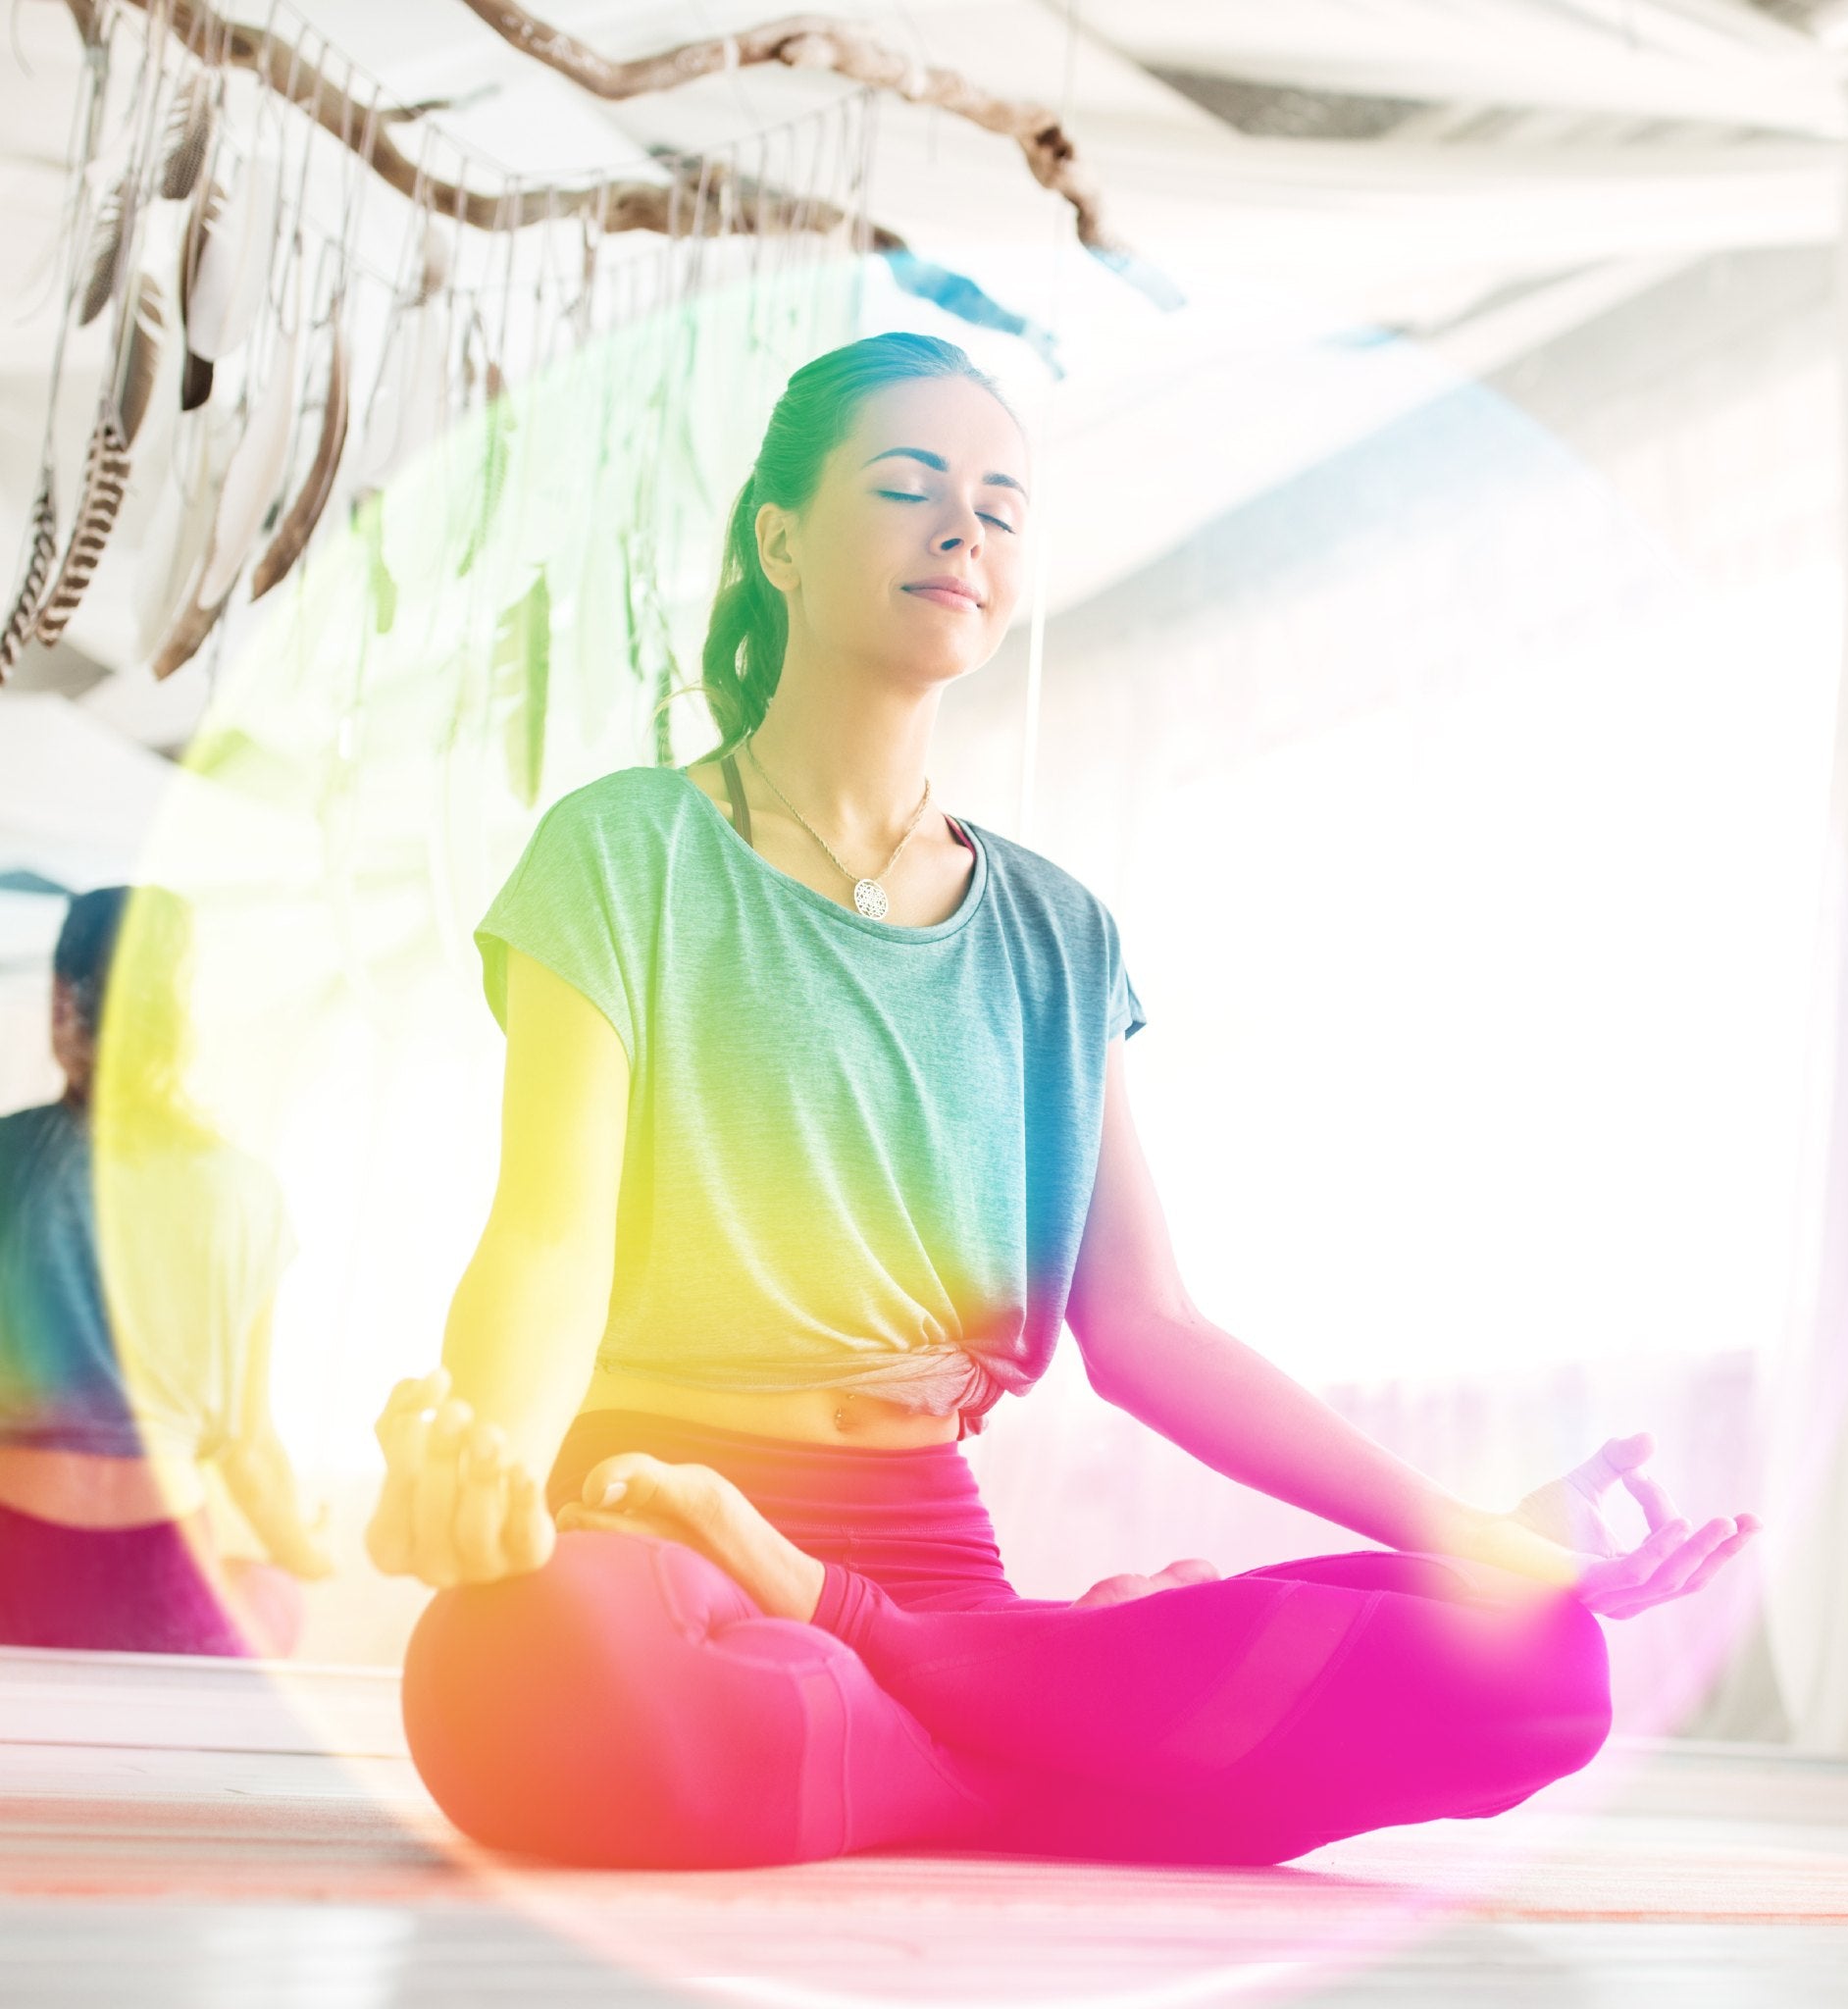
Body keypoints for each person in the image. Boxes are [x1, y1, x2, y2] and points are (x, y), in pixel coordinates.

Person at [368, 332, 1761, 1869]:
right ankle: (1042, 1744)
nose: (963, 526)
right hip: (661, 1538)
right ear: (780, 538)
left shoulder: (1057, 930)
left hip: (924, 1566)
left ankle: (879, 1673)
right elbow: (546, 1246)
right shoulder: (624, 849)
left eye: (1001, 504)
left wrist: (1472, 1534)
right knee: (531, 1675)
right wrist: (491, 1470)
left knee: (1541, 1675)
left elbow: (1152, 1330)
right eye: (907, 489)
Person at [0, 886, 334, 1656]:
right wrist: (308, 1554)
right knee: (274, 1596)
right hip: (163, 1587)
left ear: (62, 1003)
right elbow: (250, 1451)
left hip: (13, 1566)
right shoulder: (247, 1194)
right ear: (186, 1020)